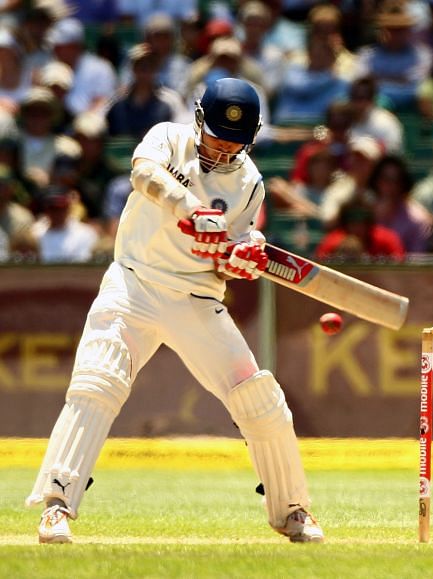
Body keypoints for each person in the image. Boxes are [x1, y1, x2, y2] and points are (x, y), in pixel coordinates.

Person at [27, 77, 324, 544]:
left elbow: (226, 259)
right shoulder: (168, 137)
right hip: (134, 283)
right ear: (199, 120)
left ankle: (293, 511)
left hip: (196, 298)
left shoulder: (250, 183)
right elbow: (143, 175)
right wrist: (190, 205)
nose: (223, 154)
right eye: (216, 141)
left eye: (235, 146)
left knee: (260, 399)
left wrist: (240, 258)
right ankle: (57, 506)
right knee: (97, 382)